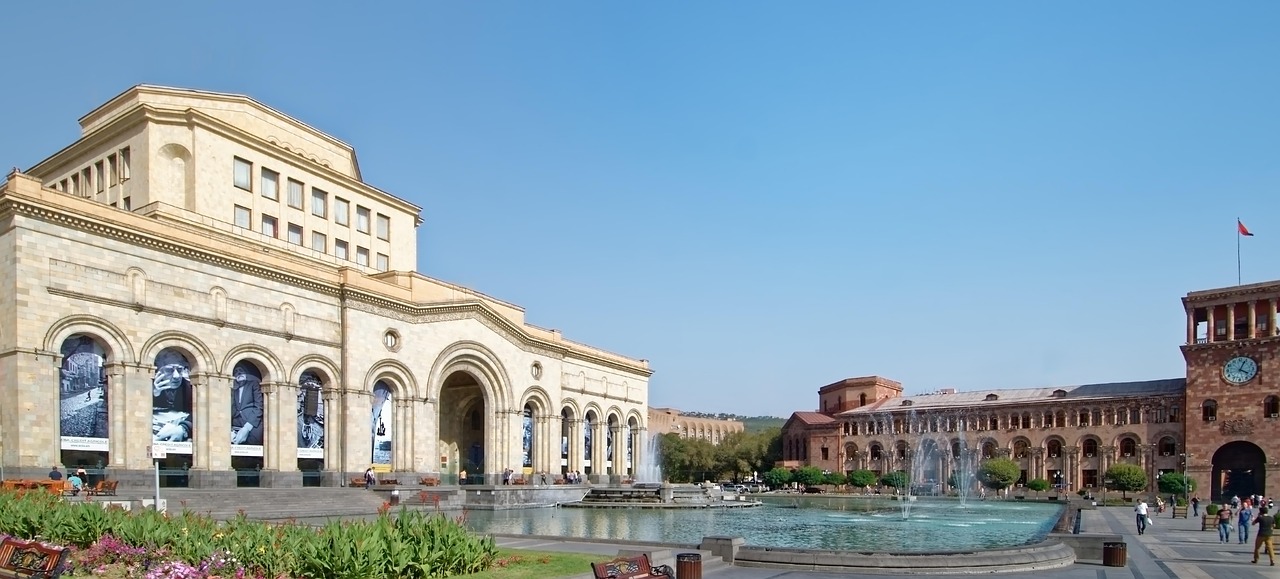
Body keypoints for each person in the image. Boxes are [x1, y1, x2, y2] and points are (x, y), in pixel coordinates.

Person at [230, 364, 265, 446]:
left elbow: (259, 406)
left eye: (240, 371)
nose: (238, 373)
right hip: (237, 422)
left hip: (252, 421)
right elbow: (233, 408)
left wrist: (248, 426)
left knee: (253, 443)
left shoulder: (253, 384)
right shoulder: (235, 390)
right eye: (236, 372)